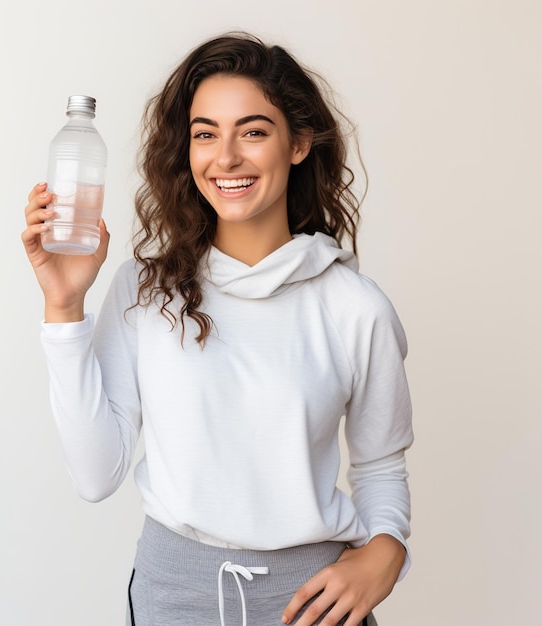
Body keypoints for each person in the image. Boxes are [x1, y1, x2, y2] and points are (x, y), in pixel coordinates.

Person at [22, 32, 413, 626]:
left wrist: (386, 550)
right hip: (171, 596)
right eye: (205, 133)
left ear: (299, 143)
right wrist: (65, 306)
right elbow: (96, 474)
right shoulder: (144, 291)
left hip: (314, 603)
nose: (225, 157)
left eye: (253, 131)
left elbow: (381, 464)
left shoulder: (355, 307)